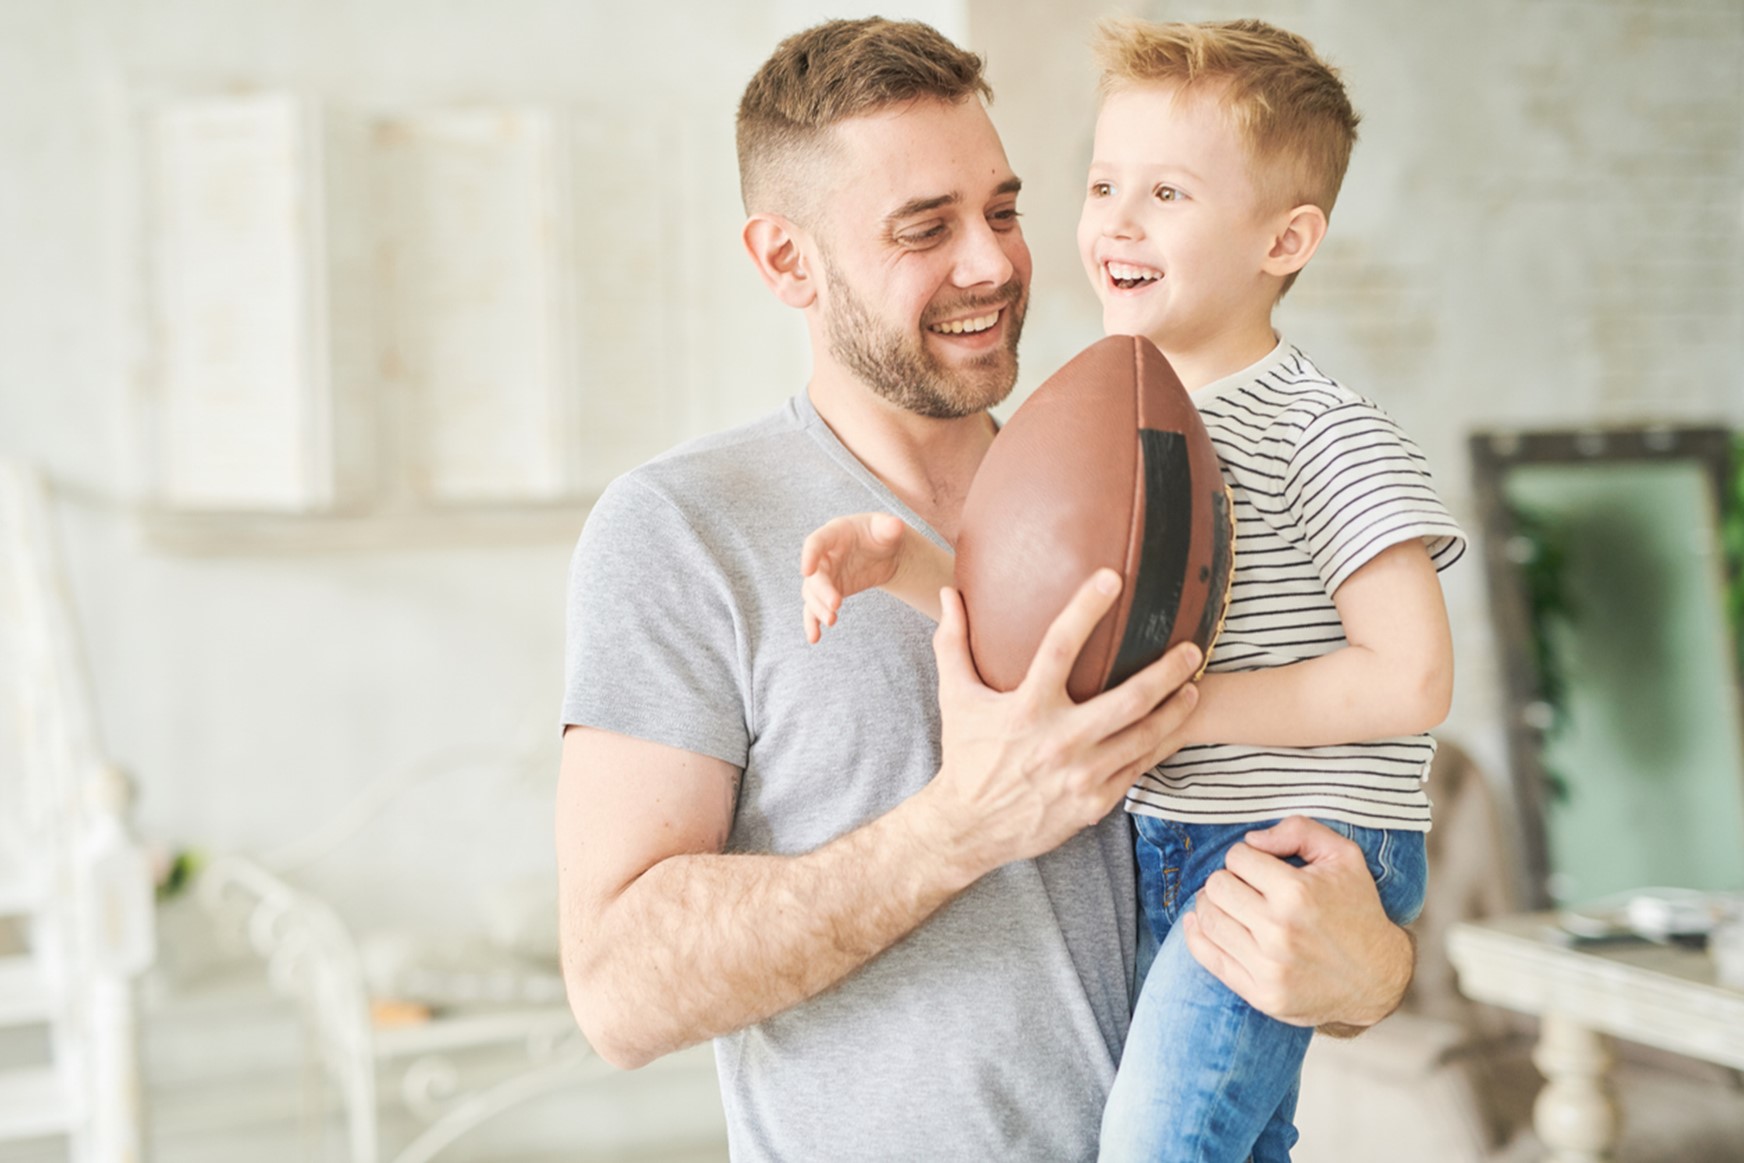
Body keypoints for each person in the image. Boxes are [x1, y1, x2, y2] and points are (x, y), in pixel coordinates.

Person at [558, 17, 1418, 1162]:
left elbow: (1282, 844)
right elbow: (618, 991)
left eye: (1002, 211)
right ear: (784, 260)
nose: (994, 263)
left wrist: (1371, 970)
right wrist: (959, 827)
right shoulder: (681, 529)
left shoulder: (1143, 491)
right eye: (926, 229)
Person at [798, 17, 1465, 1163]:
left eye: (1167, 192)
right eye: (1103, 182)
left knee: (1162, 1142)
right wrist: (902, 561)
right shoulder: (1126, 423)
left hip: (1287, 849)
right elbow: (1067, 628)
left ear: (1284, 237)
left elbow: (1413, 675)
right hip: (1174, 839)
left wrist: (1186, 709)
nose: (1114, 219)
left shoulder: (1324, 432)